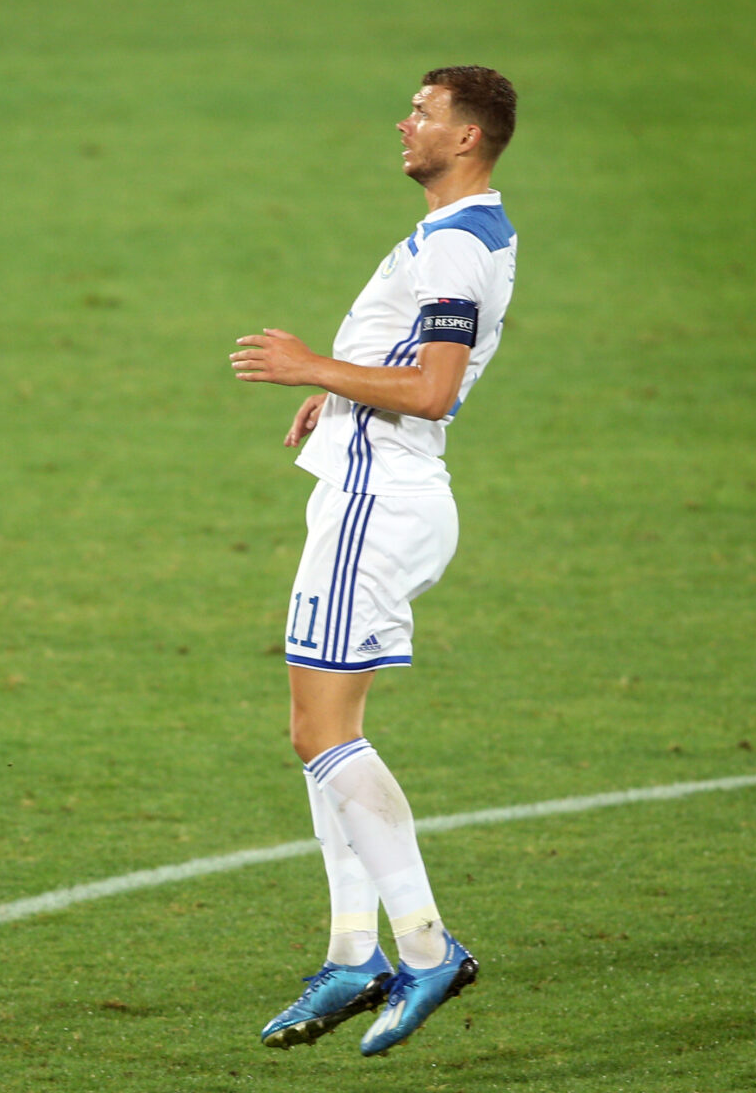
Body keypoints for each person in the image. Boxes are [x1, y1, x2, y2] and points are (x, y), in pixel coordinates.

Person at [229, 66, 518, 1056]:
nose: (406, 122)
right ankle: (354, 949)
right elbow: (416, 365)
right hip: (371, 490)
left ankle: (426, 945)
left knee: (323, 732)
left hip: (377, 504)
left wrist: (314, 366)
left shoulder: (456, 249)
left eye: (426, 113)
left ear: (470, 136)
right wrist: (344, 394)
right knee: (316, 733)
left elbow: (434, 388)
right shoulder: (470, 231)